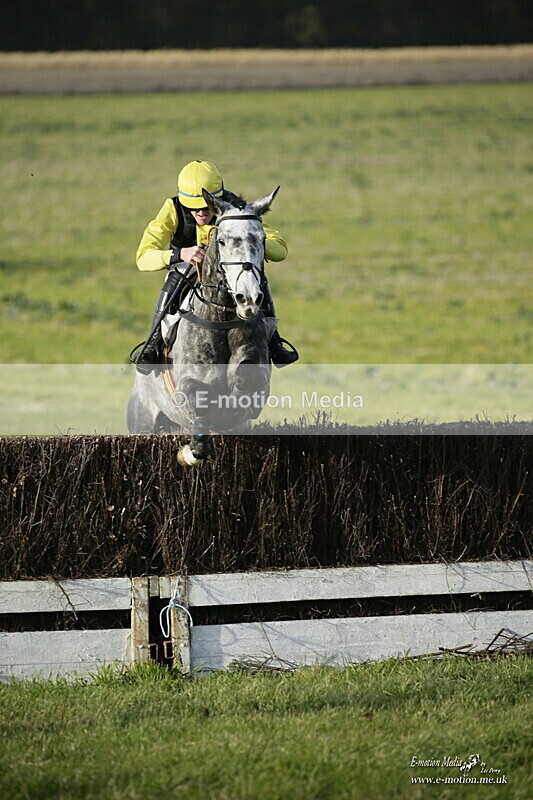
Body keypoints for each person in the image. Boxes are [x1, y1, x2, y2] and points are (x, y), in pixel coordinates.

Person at [132, 159, 298, 373]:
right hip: (188, 268)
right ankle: (153, 344)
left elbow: (280, 248)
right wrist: (179, 254)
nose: (201, 213)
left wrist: (251, 245)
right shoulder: (172, 209)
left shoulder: (236, 208)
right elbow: (143, 257)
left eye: (206, 206)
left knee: (256, 278)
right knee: (178, 275)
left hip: (228, 269)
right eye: (193, 208)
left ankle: (274, 342)